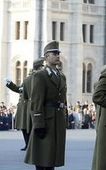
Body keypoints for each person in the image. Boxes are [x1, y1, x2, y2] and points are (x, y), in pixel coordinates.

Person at [25, 40, 67, 170]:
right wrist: (38, 123)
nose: (57, 56)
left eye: (58, 53)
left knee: (52, 154)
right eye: (54, 53)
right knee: (43, 154)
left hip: (58, 118)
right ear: (46, 56)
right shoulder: (40, 75)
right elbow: (36, 101)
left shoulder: (61, 76)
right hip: (46, 118)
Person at [6, 57, 44, 151]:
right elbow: (20, 90)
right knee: (25, 126)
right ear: (39, 68)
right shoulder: (32, 78)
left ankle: (29, 144)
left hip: (27, 105)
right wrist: (10, 84)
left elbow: (21, 90)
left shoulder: (32, 78)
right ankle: (28, 144)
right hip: (26, 105)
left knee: (27, 126)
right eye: (42, 67)